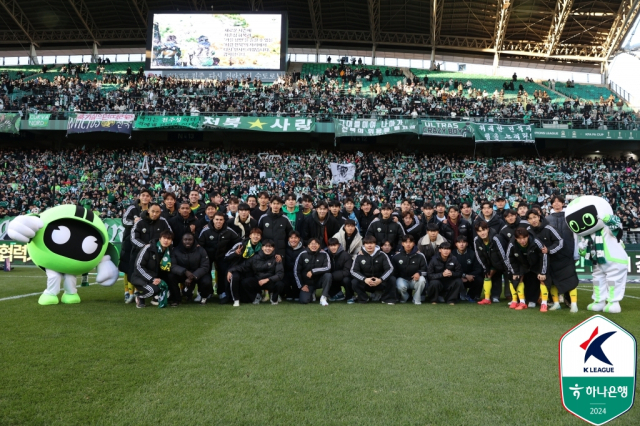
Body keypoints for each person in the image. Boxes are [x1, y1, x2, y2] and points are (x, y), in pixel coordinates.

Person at [527, 209, 578, 312]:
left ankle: (574, 304)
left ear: (539, 216)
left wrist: (549, 250)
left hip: (562, 259)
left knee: (569, 281)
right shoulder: (529, 231)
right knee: (552, 282)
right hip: (549, 261)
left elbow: (560, 241)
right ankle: (556, 303)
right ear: (528, 220)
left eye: (535, 217)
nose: (533, 220)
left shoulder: (549, 228)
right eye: (530, 218)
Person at [198, 211, 242, 304]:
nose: (219, 221)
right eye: (217, 219)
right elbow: (200, 245)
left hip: (223, 256)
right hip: (208, 256)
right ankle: (206, 293)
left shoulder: (229, 230)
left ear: (224, 221)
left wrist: (234, 251)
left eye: (221, 220)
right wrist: (203, 256)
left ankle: (222, 293)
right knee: (205, 274)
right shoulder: (205, 231)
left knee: (223, 274)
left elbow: (238, 242)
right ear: (213, 220)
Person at [227, 239, 284, 306]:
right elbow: (243, 266)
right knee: (245, 282)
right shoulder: (255, 257)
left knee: (280, 284)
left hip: (270, 281)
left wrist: (267, 279)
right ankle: (256, 296)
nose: (268, 248)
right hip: (258, 281)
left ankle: (274, 298)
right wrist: (231, 270)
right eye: (266, 246)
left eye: (270, 247)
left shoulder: (277, 258)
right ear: (262, 248)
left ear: (273, 248)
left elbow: (280, 274)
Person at [120, 189, 151, 303]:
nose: (145, 198)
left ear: (150, 198)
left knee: (141, 266)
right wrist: (135, 222)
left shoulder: (152, 209)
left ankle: (138, 291)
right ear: (139, 197)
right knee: (127, 267)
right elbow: (124, 221)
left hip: (144, 242)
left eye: (147, 196)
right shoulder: (132, 208)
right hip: (129, 241)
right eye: (143, 195)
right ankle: (128, 292)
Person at [131, 230, 175, 309]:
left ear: (171, 241)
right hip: (140, 277)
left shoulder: (170, 251)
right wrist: (152, 279)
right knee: (153, 290)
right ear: (160, 238)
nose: (166, 240)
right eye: (164, 238)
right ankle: (140, 297)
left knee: (166, 290)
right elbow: (138, 266)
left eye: (169, 239)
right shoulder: (148, 248)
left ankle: (156, 298)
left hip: (156, 278)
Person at [506, 227, 547, 311]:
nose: (522, 241)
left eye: (524, 238)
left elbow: (543, 256)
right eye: (519, 239)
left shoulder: (536, 242)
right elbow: (509, 258)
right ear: (516, 238)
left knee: (542, 279)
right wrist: (515, 272)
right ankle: (522, 302)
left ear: (527, 236)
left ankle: (544, 303)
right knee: (518, 278)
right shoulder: (512, 244)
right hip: (522, 264)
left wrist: (542, 272)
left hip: (537, 264)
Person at [349, 235, 396, 305]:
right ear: (364, 245)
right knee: (354, 282)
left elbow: (390, 269)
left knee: (392, 279)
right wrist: (365, 279)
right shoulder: (359, 256)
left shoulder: (382, 255)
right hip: (366, 282)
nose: (369, 245)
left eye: (371, 243)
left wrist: (381, 279)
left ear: (375, 244)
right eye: (367, 243)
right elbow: (353, 271)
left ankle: (387, 299)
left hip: (379, 282)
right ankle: (364, 298)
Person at [170, 233, 211, 305]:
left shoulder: (201, 250)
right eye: (185, 240)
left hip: (197, 274)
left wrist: (193, 276)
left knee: (206, 280)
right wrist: (185, 272)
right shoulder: (175, 250)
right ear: (182, 240)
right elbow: (173, 266)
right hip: (182, 273)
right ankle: (176, 299)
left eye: (190, 240)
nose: (187, 241)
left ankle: (204, 297)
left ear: (194, 241)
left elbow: (205, 266)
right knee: (171, 276)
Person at [474, 221, 509, 305]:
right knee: (488, 275)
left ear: (488, 229)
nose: (482, 233)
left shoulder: (496, 238)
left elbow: (503, 254)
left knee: (511, 279)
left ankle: (517, 298)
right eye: (479, 231)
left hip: (503, 263)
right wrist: (486, 267)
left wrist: (506, 268)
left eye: (483, 230)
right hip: (491, 263)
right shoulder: (476, 240)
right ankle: (489, 298)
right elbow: (479, 256)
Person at [130, 204, 172, 271]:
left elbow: (170, 235)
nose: (155, 214)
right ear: (148, 211)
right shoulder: (140, 222)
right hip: (141, 254)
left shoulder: (163, 221)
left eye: (157, 212)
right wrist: (145, 247)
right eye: (153, 211)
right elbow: (133, 238)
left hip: (158, 255)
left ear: (160, 212)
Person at [226, 228, 263, 304]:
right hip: (237, 268)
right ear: (250, 236)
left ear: (261, 237)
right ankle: (236, 300)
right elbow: (226, 256)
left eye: (258, 235)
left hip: (251, 270)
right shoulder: (240, 244)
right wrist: (235, 253)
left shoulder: (262, 247)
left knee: (250, 281)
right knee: (235, 277)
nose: (256, 236)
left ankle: (257, 295)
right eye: (254, 234)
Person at [294, 237, 332, 305]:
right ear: (308, 245)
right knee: (304, 301)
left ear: (319, 245)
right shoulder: (302, 254)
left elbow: (328, 267)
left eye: (316, 244)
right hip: (307, 283)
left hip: (319, 281)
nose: (314, 245)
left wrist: (313, 271)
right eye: (312, 244)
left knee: (328, 275)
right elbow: (296, 271)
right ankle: (311, 293)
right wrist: (301, 286)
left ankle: (323, 297)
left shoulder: (324, 254)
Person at [392, 235, 428, 304]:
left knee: (422, 280)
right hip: (402, 279)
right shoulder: (396, 256)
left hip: (415, 280)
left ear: (414, 243)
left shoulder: (420, 256)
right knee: (399, 285)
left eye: (410, 242)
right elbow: (393, 272)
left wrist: (419, 273)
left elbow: (426, 270)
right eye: (406, 242)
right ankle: (405, 298)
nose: (408, 244)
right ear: (402, 243)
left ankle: (416, 299)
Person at [452, 236, 482, 301]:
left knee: (479, 279)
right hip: (458, 277)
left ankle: (471, 296)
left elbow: (478, 268)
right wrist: (463, 276)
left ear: (467, 244)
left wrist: (469, 276)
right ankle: (456, 296)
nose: (461, 244)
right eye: (459, 242)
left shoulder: (472, 253)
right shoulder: (452, 254)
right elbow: (451, 269)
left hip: (470, 278)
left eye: (464, 242)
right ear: (456, 244)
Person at [326, 237, 353, 302]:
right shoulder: (326, 254)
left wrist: (332, 275)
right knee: (327, 277)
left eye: (335, 245)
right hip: (333, 278)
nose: (333, 248)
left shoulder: (346, 255)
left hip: (343, 277)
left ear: (338, 245)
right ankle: (337, 294)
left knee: (347, 280)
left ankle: (350, 296)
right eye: (331, 246)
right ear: (328, 246)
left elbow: (347, 272)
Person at [284, 231, 304, 301]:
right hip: (287, 272)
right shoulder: (284, 249)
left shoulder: (303, 250)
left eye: (295, 238)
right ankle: (288, 293)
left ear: (299, 239)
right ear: (288, 239)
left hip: (298, 273)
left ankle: (296, 294)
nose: (293, 240)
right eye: (291, 238)